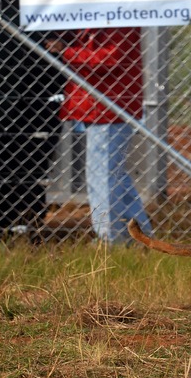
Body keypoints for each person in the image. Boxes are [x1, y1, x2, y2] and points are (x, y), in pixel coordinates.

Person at [59, 26, 152, 244]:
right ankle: (140, 236)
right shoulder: (93, 21)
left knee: (102, 176)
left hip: (109, 108)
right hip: (99, 105)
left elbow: (110, 58)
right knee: (114, 175)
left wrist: (66, 51)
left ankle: (110, 239)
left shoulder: (116, 19)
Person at [0, 0, 63, 231]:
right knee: (30, 164)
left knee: (18, 163)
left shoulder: (48, 15)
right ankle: (25, 219)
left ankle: (17, 220)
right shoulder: (48, 15)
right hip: (38, 103)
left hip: (31, 102)